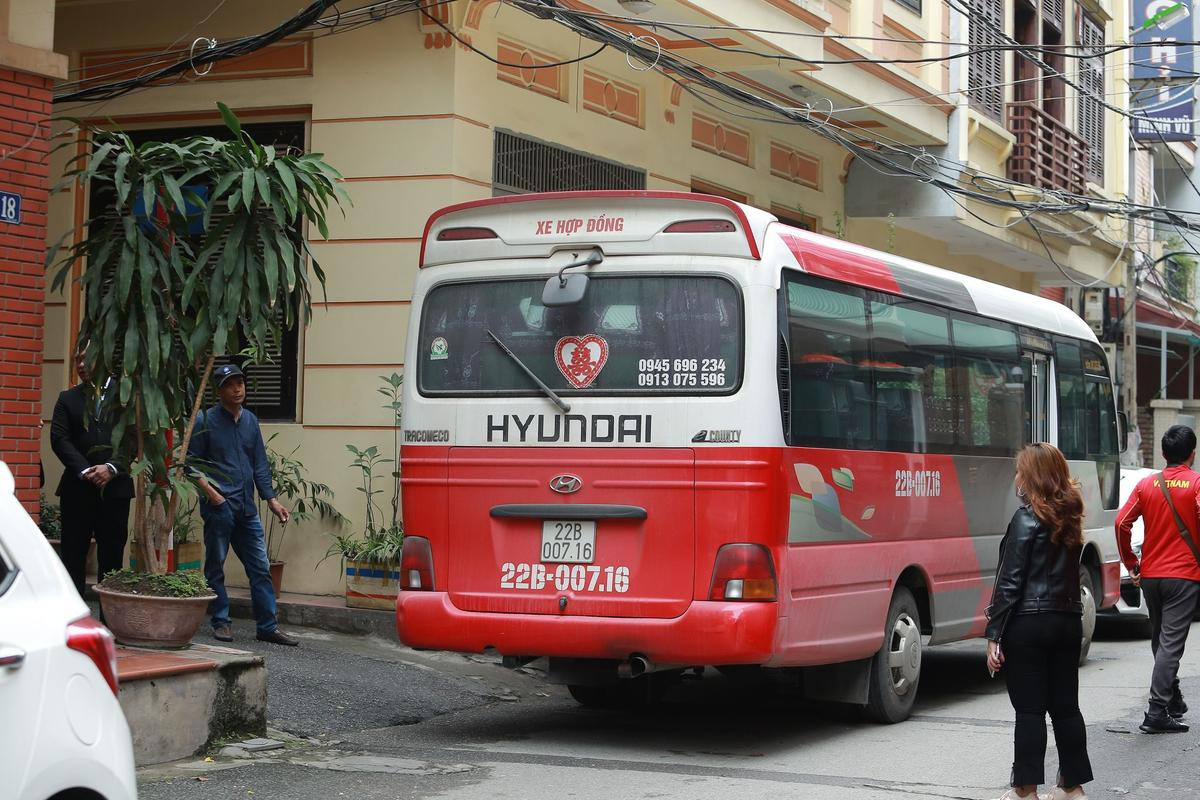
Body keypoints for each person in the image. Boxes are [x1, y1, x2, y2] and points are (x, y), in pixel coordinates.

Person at [985, 442, 1092, 800]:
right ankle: (1073, 788)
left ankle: (1026, 790)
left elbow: (1010, 582)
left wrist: (994, 635)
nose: (1016, 477)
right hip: (1067, 621)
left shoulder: (1025, 518)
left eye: (1020, 471)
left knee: (1029, 710)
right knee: (1066, 707)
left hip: (1029, 625)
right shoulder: (1072, 516)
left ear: (1030, 476)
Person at [188, 363, 297, 646]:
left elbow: (259, 463)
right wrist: (212, 495)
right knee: (216, 565)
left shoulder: (249, 420)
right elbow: (191, 465)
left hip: (247, 508)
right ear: (219, 390)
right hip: (219, 506)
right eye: (230, 384)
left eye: (241, 383)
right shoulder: (205, 421)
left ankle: (267, 626)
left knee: (260, 566)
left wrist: (271, 500)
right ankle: (221, 621)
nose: (238, 388)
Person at [1115, 424, 1200, 734]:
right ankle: (1156, 710)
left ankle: (1172, 699)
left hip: (1150, 575)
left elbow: (1122, 522)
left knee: (1161, 639)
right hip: (1183, 575)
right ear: (1192, 453)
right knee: (1170, 644)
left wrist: (1131, 562)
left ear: (1163, 453)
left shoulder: (1148, 484)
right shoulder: (1196, 484)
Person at [50, 345, 134, 599]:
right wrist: (86, 469)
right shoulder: (68, 398)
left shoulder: (126, 396)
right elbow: (59, 439)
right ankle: (74, 620)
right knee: (73, 556)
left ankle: (110, 623)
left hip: (115, 489)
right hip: (77, 490)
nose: (81, 364)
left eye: (87, 358)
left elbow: (134, 438)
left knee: (112, 557)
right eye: (78, 359)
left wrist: (111, 468)